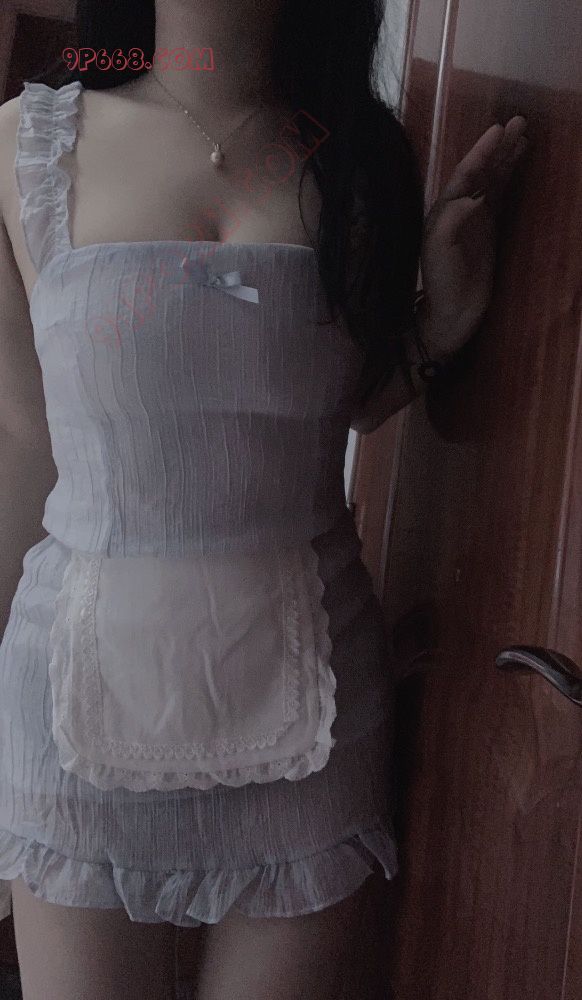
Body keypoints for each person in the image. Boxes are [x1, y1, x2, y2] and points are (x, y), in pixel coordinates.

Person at [0, 1, 528, 998]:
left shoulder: (360, 158)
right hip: (72, 710)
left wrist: (433, 333)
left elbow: (349, 406)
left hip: (312, 715)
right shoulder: (23, 145)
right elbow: (22, 442)